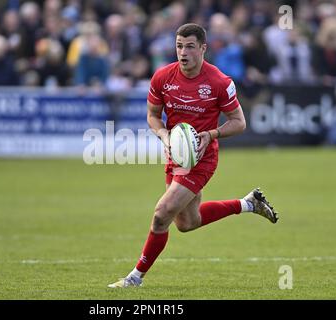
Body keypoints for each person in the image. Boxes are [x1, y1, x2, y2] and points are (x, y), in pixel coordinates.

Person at [108, 23, 278, 288]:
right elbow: (152, 116)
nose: (183, 52)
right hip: (177, 154)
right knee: (187, 222)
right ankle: (248, 204)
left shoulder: (219, 82)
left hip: (202, 158)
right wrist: (164, 135)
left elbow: (239, 122)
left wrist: (211, 135)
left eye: (189, 46)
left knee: (161, 214)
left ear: (203, 48)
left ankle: (134, 278)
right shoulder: (162, 77)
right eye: (179, 46)